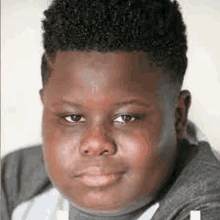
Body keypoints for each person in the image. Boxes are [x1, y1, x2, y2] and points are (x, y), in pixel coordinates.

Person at [1, 0, 220, 219]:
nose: (95, 143)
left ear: (178, 117)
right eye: (73, 117)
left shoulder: (206, 207)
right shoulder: (16, 180)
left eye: (126, 117)